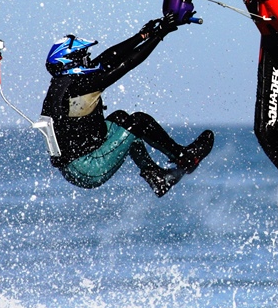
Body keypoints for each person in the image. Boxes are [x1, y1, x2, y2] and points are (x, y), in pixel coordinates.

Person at [41, 17, 213, 197]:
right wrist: (159, 34)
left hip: (76, 163)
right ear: (71, 62)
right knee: (139, 122)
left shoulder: (64, 84)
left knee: (121, 119)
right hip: (86, 169)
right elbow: (127, 63)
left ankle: (156, 176)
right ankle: (185, 158)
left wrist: (142, 36)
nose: (89, 59)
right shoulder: (80, 86)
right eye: (84, 57)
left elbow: (108, 57)